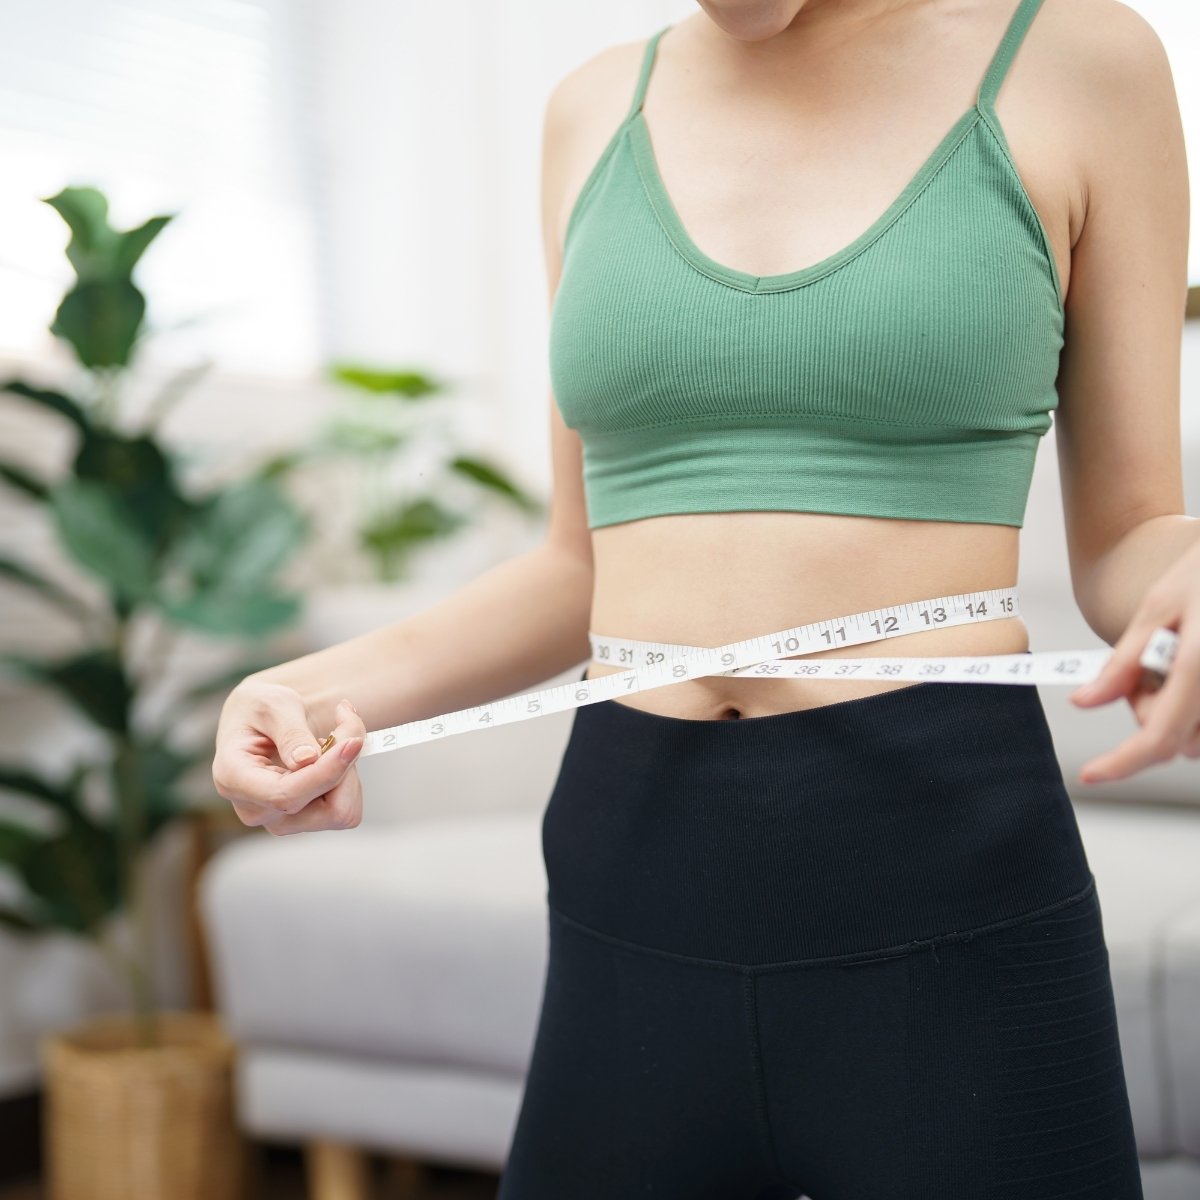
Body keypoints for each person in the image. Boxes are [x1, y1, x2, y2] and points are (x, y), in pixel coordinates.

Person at [213, 0, 1196, 1195]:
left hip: (939, 862)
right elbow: (578, 565)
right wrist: (306, 689)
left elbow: (1132, 533)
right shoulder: (593, 107)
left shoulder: (1081, 60)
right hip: (626, 862)